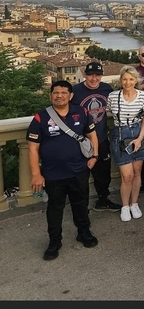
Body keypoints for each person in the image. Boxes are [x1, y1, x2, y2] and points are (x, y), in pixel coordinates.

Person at [27, 79, 100, 261]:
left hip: (78, 170)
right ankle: (54, 241)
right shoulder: (40, 118)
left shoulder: (81, 112)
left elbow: (92, 134)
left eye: (64, 92)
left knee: (81, 204)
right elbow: (33, 148)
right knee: (55, 208)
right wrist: (36, 174)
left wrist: (94, 156)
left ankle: (84, 233)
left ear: (71, 95)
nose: (59, 96)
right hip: (53, 174)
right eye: (56, 93)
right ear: (50, 95)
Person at [107, 66, 144, 221]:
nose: (127, 82)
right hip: (121, 134)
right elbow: (108, 112)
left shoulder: (142, 96)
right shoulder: (113, 96)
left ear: (136, 81)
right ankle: (125, 206)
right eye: (125, 79)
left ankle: (134, 203)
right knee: (126, 176)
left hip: (139, 134)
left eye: (131, 79)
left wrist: (140, 138)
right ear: (121, 80)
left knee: (137, 172)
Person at [72, 60, 119, 210]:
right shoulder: (75, 91)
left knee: (103, 173)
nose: (94, 79)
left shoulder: (107, 89)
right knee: (80, 175)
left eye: (97, 75)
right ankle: (80, 205)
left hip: (101, 138)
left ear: (101, 76)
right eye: (90, 75)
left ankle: (103, 200)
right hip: (81, 141)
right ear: (85, 75)